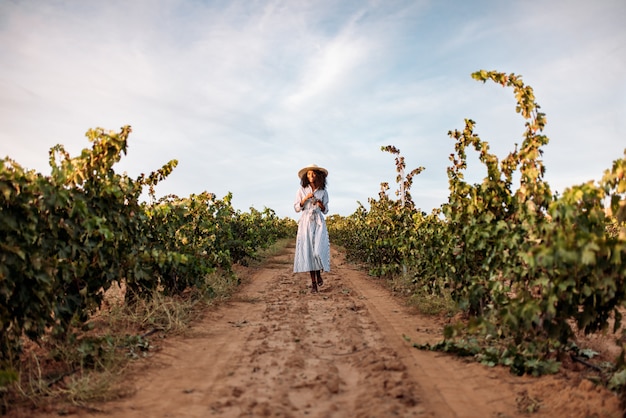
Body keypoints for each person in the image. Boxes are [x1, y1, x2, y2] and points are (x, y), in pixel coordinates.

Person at [293, 164, 330, 293]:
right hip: (306, 222)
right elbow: (297, 208)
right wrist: (305, 199)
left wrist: (320, 204)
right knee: (309, 251)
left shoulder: (323, 191)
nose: (311, 176)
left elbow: (326, 210)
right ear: (306, 176)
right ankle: (314, 283)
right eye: (308, 174)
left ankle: (319, 273)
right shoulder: (301, 190)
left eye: (313, 174)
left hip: (318, 221)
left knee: (317, 250)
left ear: (318, 175)